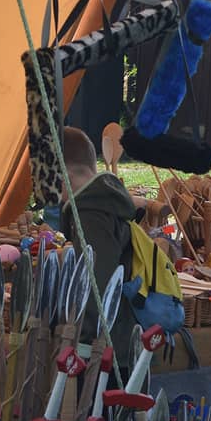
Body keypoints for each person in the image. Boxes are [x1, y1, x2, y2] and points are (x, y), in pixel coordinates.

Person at [55, 126, 138, 369]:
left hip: (106, 352)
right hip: (114, 343)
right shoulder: (101, 204)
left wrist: (81, 340)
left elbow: (96, 285)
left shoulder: (90, 213)